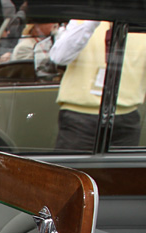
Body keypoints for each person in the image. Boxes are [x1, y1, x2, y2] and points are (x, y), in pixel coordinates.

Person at [49, 20, 146, 152]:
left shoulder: (139, 20)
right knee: (72, 171)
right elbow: (59, 56)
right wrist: (93, 19)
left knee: (122, 172)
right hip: (80, 117)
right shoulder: (83, 19)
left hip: (127, 117)